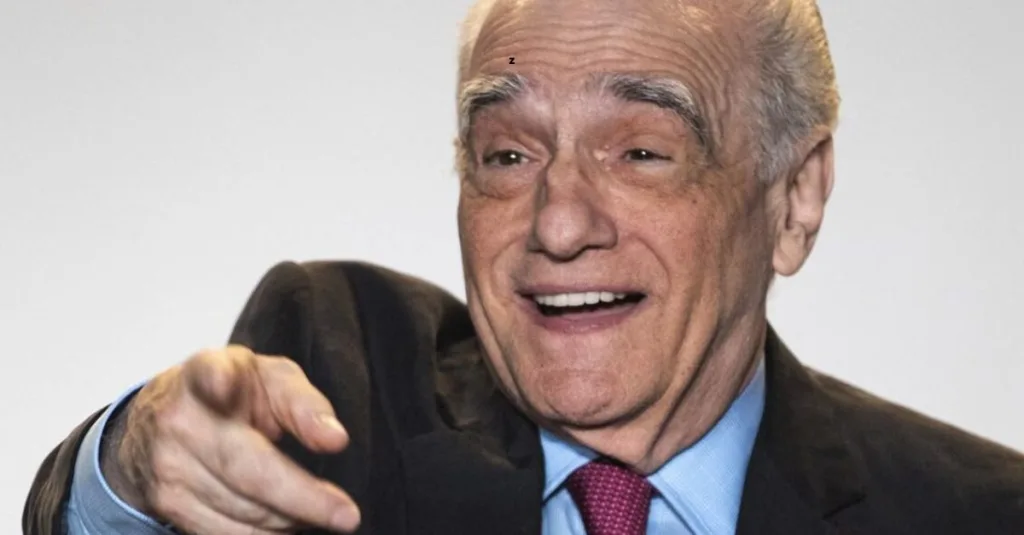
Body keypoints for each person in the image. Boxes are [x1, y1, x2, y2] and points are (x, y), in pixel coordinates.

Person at [22, 0, 1024, 533]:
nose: (559, 223)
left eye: (641, 151)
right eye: (508, 155)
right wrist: (131, 469)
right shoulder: (339, 388)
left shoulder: (980, 513)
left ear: (794, 197)